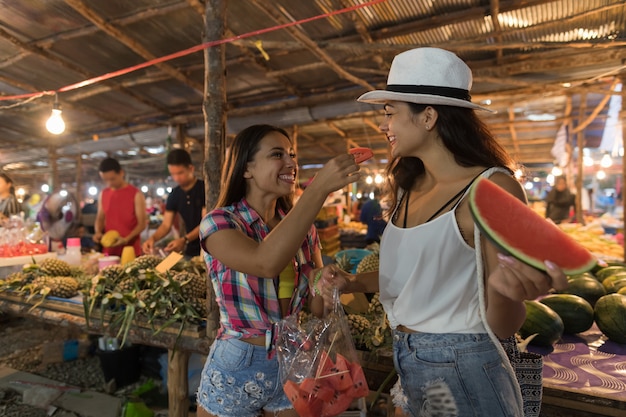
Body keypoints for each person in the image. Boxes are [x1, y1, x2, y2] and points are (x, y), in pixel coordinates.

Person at [317, 48, 568, 417]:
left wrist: (505, 291)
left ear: (428, 116)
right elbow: (410, 279)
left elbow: (504, 324)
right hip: (410, 361)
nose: (384, 126)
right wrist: (352, 282)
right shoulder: (408, 186)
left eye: (390, 114)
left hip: (464, 369)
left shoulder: (491, 189)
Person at [196, 124, 360, 417]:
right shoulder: (219, 223)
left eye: (292, 154)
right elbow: (264, 262)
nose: (291, 163)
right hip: (239, 363)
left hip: (293, 360)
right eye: (277, 154)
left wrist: (325, 283)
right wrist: (319, 187)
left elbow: (317, 309)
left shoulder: (304, 228)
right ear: (247, 169)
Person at [142, 149, 205, 258]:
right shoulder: (174, 194)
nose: (176, 178)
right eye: (173, 174)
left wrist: (184, 239)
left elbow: (206, 223)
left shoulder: (205, 189)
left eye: (180, 173)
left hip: (209, 248)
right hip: (190, 250)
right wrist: (152, 238)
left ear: (191, 168)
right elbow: (166, 225)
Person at [93, 157, 147, 257]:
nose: (109, 183)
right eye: (105, 180)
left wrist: (126, 239)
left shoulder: (135, 194)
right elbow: (100, 218)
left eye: (112, 179)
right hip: (109, 252)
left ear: (121, 173)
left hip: (131, 251)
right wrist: (98, 232)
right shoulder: (103, 194)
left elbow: (142, 224)